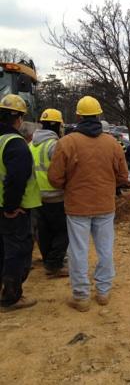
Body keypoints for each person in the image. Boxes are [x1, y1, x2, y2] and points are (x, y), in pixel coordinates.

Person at [48, 96, 129, 312]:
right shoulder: (112, 143)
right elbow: (123, 176)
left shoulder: (66, 143)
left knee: (78, 251)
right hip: (104, 205)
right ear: (99, 115)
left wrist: (71, 184)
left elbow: (54, 178)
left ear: (78, 116)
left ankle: (81, 296)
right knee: (105, 250)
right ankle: (103, 292)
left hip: (77, 206)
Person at [0, 94, 41, 313]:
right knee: (18, 252)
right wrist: (10, 207)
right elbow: (16, 179)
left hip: (3, 207)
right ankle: (11, 297)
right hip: (15, 210)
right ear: (18, 118)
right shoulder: (15, 144)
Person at [29, 108, 69, 278]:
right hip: (56, 196)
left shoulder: (31, 145)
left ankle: (49, 262)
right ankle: (54, 264)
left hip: (37, 197)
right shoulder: (54, 145)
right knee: (64, 232)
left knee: (44, 233)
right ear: (57, 125)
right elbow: (63, 171)